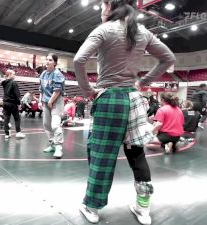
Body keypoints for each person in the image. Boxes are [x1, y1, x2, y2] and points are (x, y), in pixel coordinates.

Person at [73, 0, 176, 224]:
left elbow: (79, 59)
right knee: (136, 154)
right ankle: (143, 208)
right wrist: (143, 82)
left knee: (102, 155)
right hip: (134, 100)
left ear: (110, 5)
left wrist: (88, 91)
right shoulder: (142, 31)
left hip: (109, 99)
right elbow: (169, 58)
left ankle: (92, 207)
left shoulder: (104, 29)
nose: (101, 10)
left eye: (102, 5)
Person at [39, 54, 65, 159]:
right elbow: (41, 88)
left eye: (50, 60)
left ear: (55, 63)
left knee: (55, 125)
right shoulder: (43, 74)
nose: (47, 61)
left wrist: (50, 101)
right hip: (46, 101)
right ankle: (52, 145)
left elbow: (57, 90)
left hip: (56, 101)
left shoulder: (57, 74)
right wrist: (41, 100)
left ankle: (58, 147)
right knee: (46, 125)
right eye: (46, 59)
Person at [1, 69, 25, 139]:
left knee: (6, 119)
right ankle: (18, 132)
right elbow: (17, 94)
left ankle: (6, 134)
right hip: (12, 103)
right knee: (17, 118)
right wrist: (19, 103)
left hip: (5, 102)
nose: (15, 75)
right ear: (10, 75)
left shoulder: (4, 83)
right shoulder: (13, 83)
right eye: (14, 74)